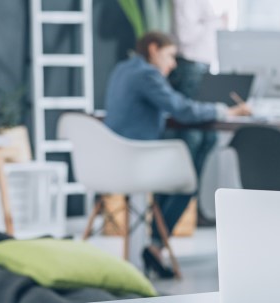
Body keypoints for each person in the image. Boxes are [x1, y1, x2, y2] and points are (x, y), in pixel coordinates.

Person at [103, 32, 250, 278]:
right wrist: (227, 111)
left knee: (201, 141)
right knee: (187, 184)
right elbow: (181, 109)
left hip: (112, 160)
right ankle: (156, 244)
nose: (172, 64)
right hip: (135, 162)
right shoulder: (147, 74)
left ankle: (156, 245)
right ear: (153, 49)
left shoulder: (123, 69)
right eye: (170, 56)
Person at [165, 0, 222, 227]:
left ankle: (186, 208)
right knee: (191, 142)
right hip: (190, 66)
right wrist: (212, 20)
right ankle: (165, 223)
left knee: (209, 137)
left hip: (201, 66)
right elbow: (186, 35)